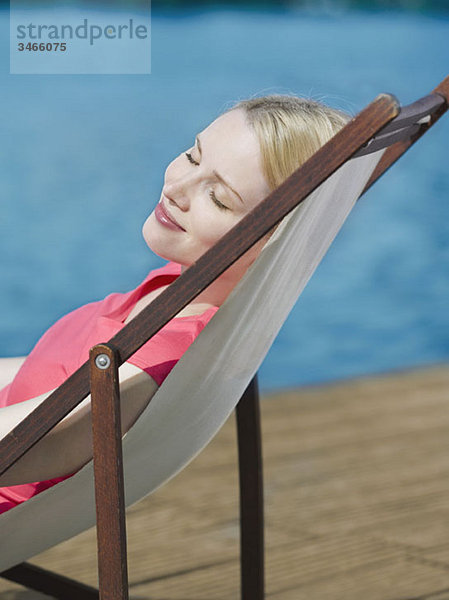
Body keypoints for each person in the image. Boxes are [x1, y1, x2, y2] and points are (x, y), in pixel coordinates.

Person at [0, 95, 350, 513]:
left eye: (219, 198)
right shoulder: (181, 291)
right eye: (192, 155)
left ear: (277, 244)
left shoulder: (157, 359)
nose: (176, 188)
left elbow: (23, 446)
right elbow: (51, 370)